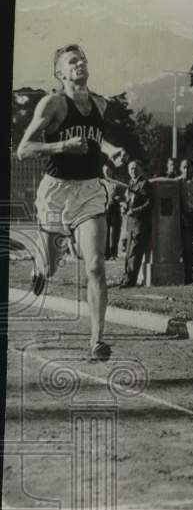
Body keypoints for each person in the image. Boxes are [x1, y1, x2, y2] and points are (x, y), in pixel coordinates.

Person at [16, 43, 127, 360]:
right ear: (60, 72)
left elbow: (95, 137)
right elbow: (24, 149)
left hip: (89, 190)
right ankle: (40, 265)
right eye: (72, 61)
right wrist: (62, 146)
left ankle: (97, 341)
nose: (80, 64)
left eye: (82, 59)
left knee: (95, 265)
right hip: (56, 191)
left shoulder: (100, 104)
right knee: (51, 268)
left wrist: (109, 150)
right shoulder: (53, 103)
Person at [119, 160, 152, 288]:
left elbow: (150, 203)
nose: (133, 171)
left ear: (141, 169)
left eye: (135, 168)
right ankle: (126, 278)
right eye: (131, 169)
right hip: (131, 223)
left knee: (134, 253)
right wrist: (124, 206)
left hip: (141, 223)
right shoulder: (131, 183)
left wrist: (135, 211)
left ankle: (130, 281)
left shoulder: (145, 184)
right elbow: (129, 201)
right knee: (128, 253)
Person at [101, 163, 123, 260]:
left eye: (108, 170)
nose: (107, 172)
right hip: (104, 208)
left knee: (115, 232)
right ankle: (106, 253)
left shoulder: (116, 182)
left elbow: (124, 195)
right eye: (105, 171)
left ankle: (114, 253)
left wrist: (119, 198)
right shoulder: (101, 182)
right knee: (105, 232)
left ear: (111, 171)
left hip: (115, 207)